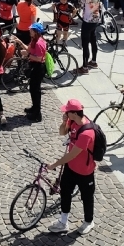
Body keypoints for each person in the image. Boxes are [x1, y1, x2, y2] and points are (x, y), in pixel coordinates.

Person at [46, 98, 97, 236]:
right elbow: (62, 132)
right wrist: (64, 122)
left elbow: (72, 155)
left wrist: (54, 165)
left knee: (87, 197)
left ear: (74, 113)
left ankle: (88, 221)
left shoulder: (87, 133)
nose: (65, 113)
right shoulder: (73, 121)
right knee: (65, 192)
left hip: (85, 171)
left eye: (67, 112)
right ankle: (63, 222)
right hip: (71, 168)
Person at [22, 20, 49, 123]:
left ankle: (37, 114)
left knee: (36, 90)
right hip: (35, 66)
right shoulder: (34, 40)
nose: (29, 30)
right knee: (32, 89)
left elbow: (39, 58)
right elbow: (28, 49)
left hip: (38, 68)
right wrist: (19, 42)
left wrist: (27, 55)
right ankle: (34, 108)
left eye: (31, 30)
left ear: (36, 32)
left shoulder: (39, 43)